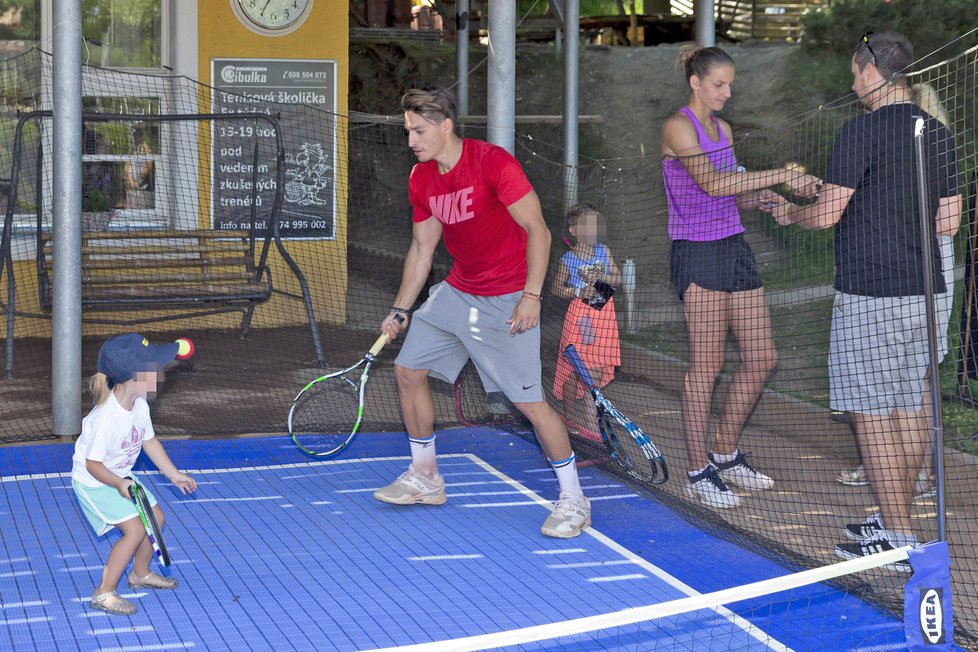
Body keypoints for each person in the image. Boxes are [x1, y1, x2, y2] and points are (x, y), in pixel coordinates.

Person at [771, 32, 961, 568]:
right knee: (904, 408)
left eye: (856, 73)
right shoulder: (939, 133)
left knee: (872, 416)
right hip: (924, 294)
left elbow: (827, 213)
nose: (853, 83)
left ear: (873, 72)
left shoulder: (861, 130)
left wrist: (790, 214)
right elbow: (948, 221)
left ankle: (898, 537)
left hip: (871, 294)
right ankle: (895, 520)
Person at [375, 87, 590, 538]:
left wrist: (531, 296)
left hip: (508, 295)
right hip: (457, 290)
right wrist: (400, 308)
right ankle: (426, 476)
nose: (412, 139)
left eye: (419, 130)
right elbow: (422, 247)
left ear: (445, 126)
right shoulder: (423, 178)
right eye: (408, 131)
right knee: (407, 371)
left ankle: (574, 498)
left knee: (530, 403)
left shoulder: (492, 163)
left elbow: (539, 231)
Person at [660, 45, 822, 509]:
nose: (727, 93)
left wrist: (767, 197)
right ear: (695, 82)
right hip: (698, 252)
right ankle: (697, 471)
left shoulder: (724, 129)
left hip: (733, 248)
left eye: (730, 84)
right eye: (719, 85)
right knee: (705, 367)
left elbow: (732, 193)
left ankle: (725, 453)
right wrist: (782, 174)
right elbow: (711, 183)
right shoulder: (677, 126)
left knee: (762, 357)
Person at [72, 333, 198, 615]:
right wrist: (119, 484)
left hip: (121, 476)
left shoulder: (139, 405)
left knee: (157, 518)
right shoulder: (105, 419)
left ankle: (139, 574)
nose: (161, 373)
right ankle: (104, 593)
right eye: (155, 369)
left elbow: (148, 441)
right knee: (135, 529)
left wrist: (173, 474)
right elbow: (93, 464)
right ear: (134, 377)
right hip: (95, 482)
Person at [551, 203, 623, 440]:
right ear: (574, 230)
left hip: (603, 316)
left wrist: (599, 276)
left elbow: (617, 278)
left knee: (597, 368)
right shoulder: (568, 259)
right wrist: (579, 290)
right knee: (577, 369)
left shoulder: (604, 251)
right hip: (582, 318)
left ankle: (592, 426)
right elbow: (556, 289)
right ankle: (572, 418)